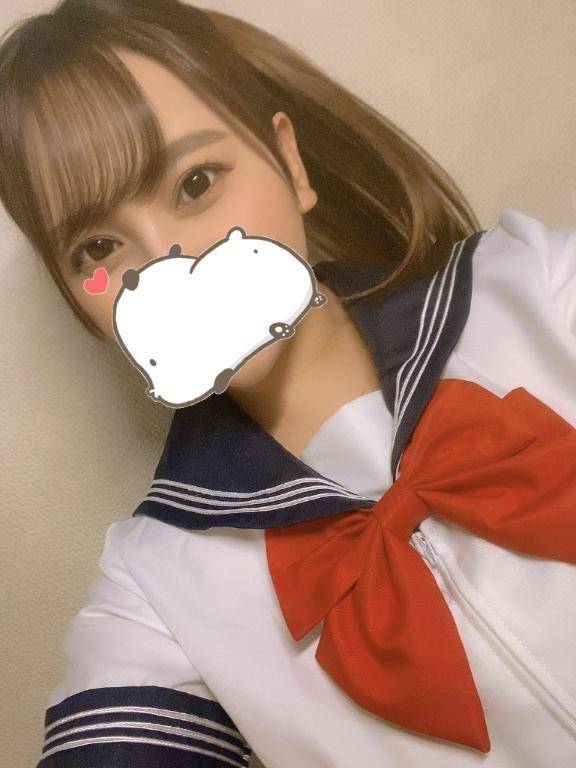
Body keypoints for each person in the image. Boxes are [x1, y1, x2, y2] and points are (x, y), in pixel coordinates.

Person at [0, 1, 574, 766]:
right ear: (83, 306)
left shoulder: (543, 288)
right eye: (97, 249)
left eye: (196, 182)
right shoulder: (155, 593)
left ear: (290, 164)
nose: (168, 260)